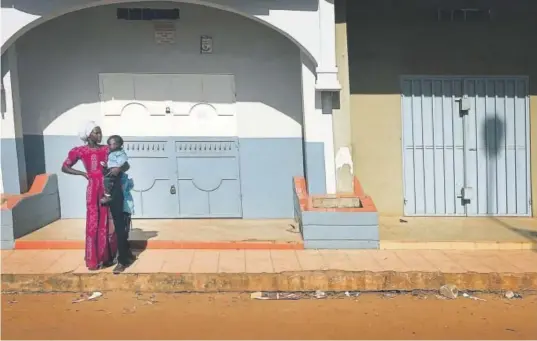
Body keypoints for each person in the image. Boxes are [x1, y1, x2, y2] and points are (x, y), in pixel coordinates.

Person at [62, 122, 135, 273]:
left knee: (115, 223)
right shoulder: (80, 151)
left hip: (111, 187)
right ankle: (95, 258)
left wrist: (118, 169)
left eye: (100, 132)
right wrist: (83, 174)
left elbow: (126, 164)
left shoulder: (107, 149)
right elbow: (65, 167)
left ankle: (116, 258)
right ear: (88, 135)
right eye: (96, 132)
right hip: (93, 190)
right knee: (93, 223)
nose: (100, 135)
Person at [100, 135, 128, 205]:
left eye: (110, 144)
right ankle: (107, 195)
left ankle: (108, 196)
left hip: (114, 171)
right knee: (106, 181)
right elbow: (112, 162)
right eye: (108, 144)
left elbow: (123, 161)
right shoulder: (112, 152)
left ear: (117, 144)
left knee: (107, 181)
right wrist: (106, 165)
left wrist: (117, 168)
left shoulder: (120, 153)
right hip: (110, 169)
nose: (109, 146)